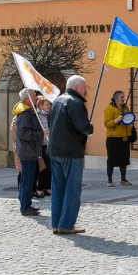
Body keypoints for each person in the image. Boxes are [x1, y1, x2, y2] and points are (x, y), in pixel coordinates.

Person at [48, 75, 93, 234]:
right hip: (71, 152)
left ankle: (56, 223)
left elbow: (50, 124)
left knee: (58, 188)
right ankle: (66, 224)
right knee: (72, 190)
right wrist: (90, 127)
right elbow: (83, 127)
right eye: (84, 87)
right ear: (78, 87)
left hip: (55, 151)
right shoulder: (75, 102)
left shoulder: (57, 101)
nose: (85, 90)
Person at [15, 89, 46, 217]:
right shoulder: (24, 114)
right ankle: (25, 207)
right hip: (28, 151)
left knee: (26, 179)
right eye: (34, 96)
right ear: (27, 100)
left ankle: (25, 203)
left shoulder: (28, 112)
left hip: (30, 151)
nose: (36, 97)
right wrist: (40, 134)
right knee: (27, 180)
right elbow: (24, 133)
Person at [103, 90, 134, 187]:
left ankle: (123, 179)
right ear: (116, 99)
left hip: (124, 137)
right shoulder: (109, 108)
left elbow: (129, 118)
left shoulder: (126, 107)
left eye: (124, 97)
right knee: (111, 160)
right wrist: (116, 120)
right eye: (121, 98)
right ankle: (109, 180)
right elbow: (107, 124)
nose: (123, 99)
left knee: (124, 160)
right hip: (113, 138)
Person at [35, 96, 52, 197]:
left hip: (49, 144)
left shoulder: (50, 115)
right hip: (41, 145)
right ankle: (40, 188)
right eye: (46, 104)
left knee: (50, 168)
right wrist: (42, 132)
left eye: (49, 104)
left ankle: (48, 187)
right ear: (41, 105)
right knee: (42, 168)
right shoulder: (37, 116)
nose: (49, 106)